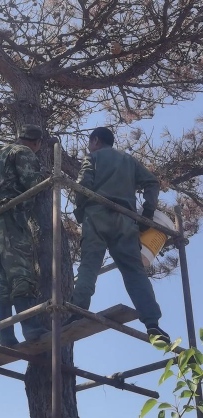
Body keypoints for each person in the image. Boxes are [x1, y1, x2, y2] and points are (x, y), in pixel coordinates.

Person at [67, 127, 170, 343]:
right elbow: (152, 182)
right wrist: (147, 214)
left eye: (90, 142)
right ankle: (152, 323)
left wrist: (80, 212)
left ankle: (76, 312)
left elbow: (82, 186)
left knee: (89, 266)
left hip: (96, 215)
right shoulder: (129, 161)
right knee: (134, 272)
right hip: (125, 219)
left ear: (95, 140)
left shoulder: (93, 158)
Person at [0, 125, 49, 346]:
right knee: (21, 272)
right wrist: (45, 176)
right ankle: (32, 328)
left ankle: (6, 336)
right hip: (8, 218)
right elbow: (33, 183)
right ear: (36, 143)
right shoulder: (23, 152)